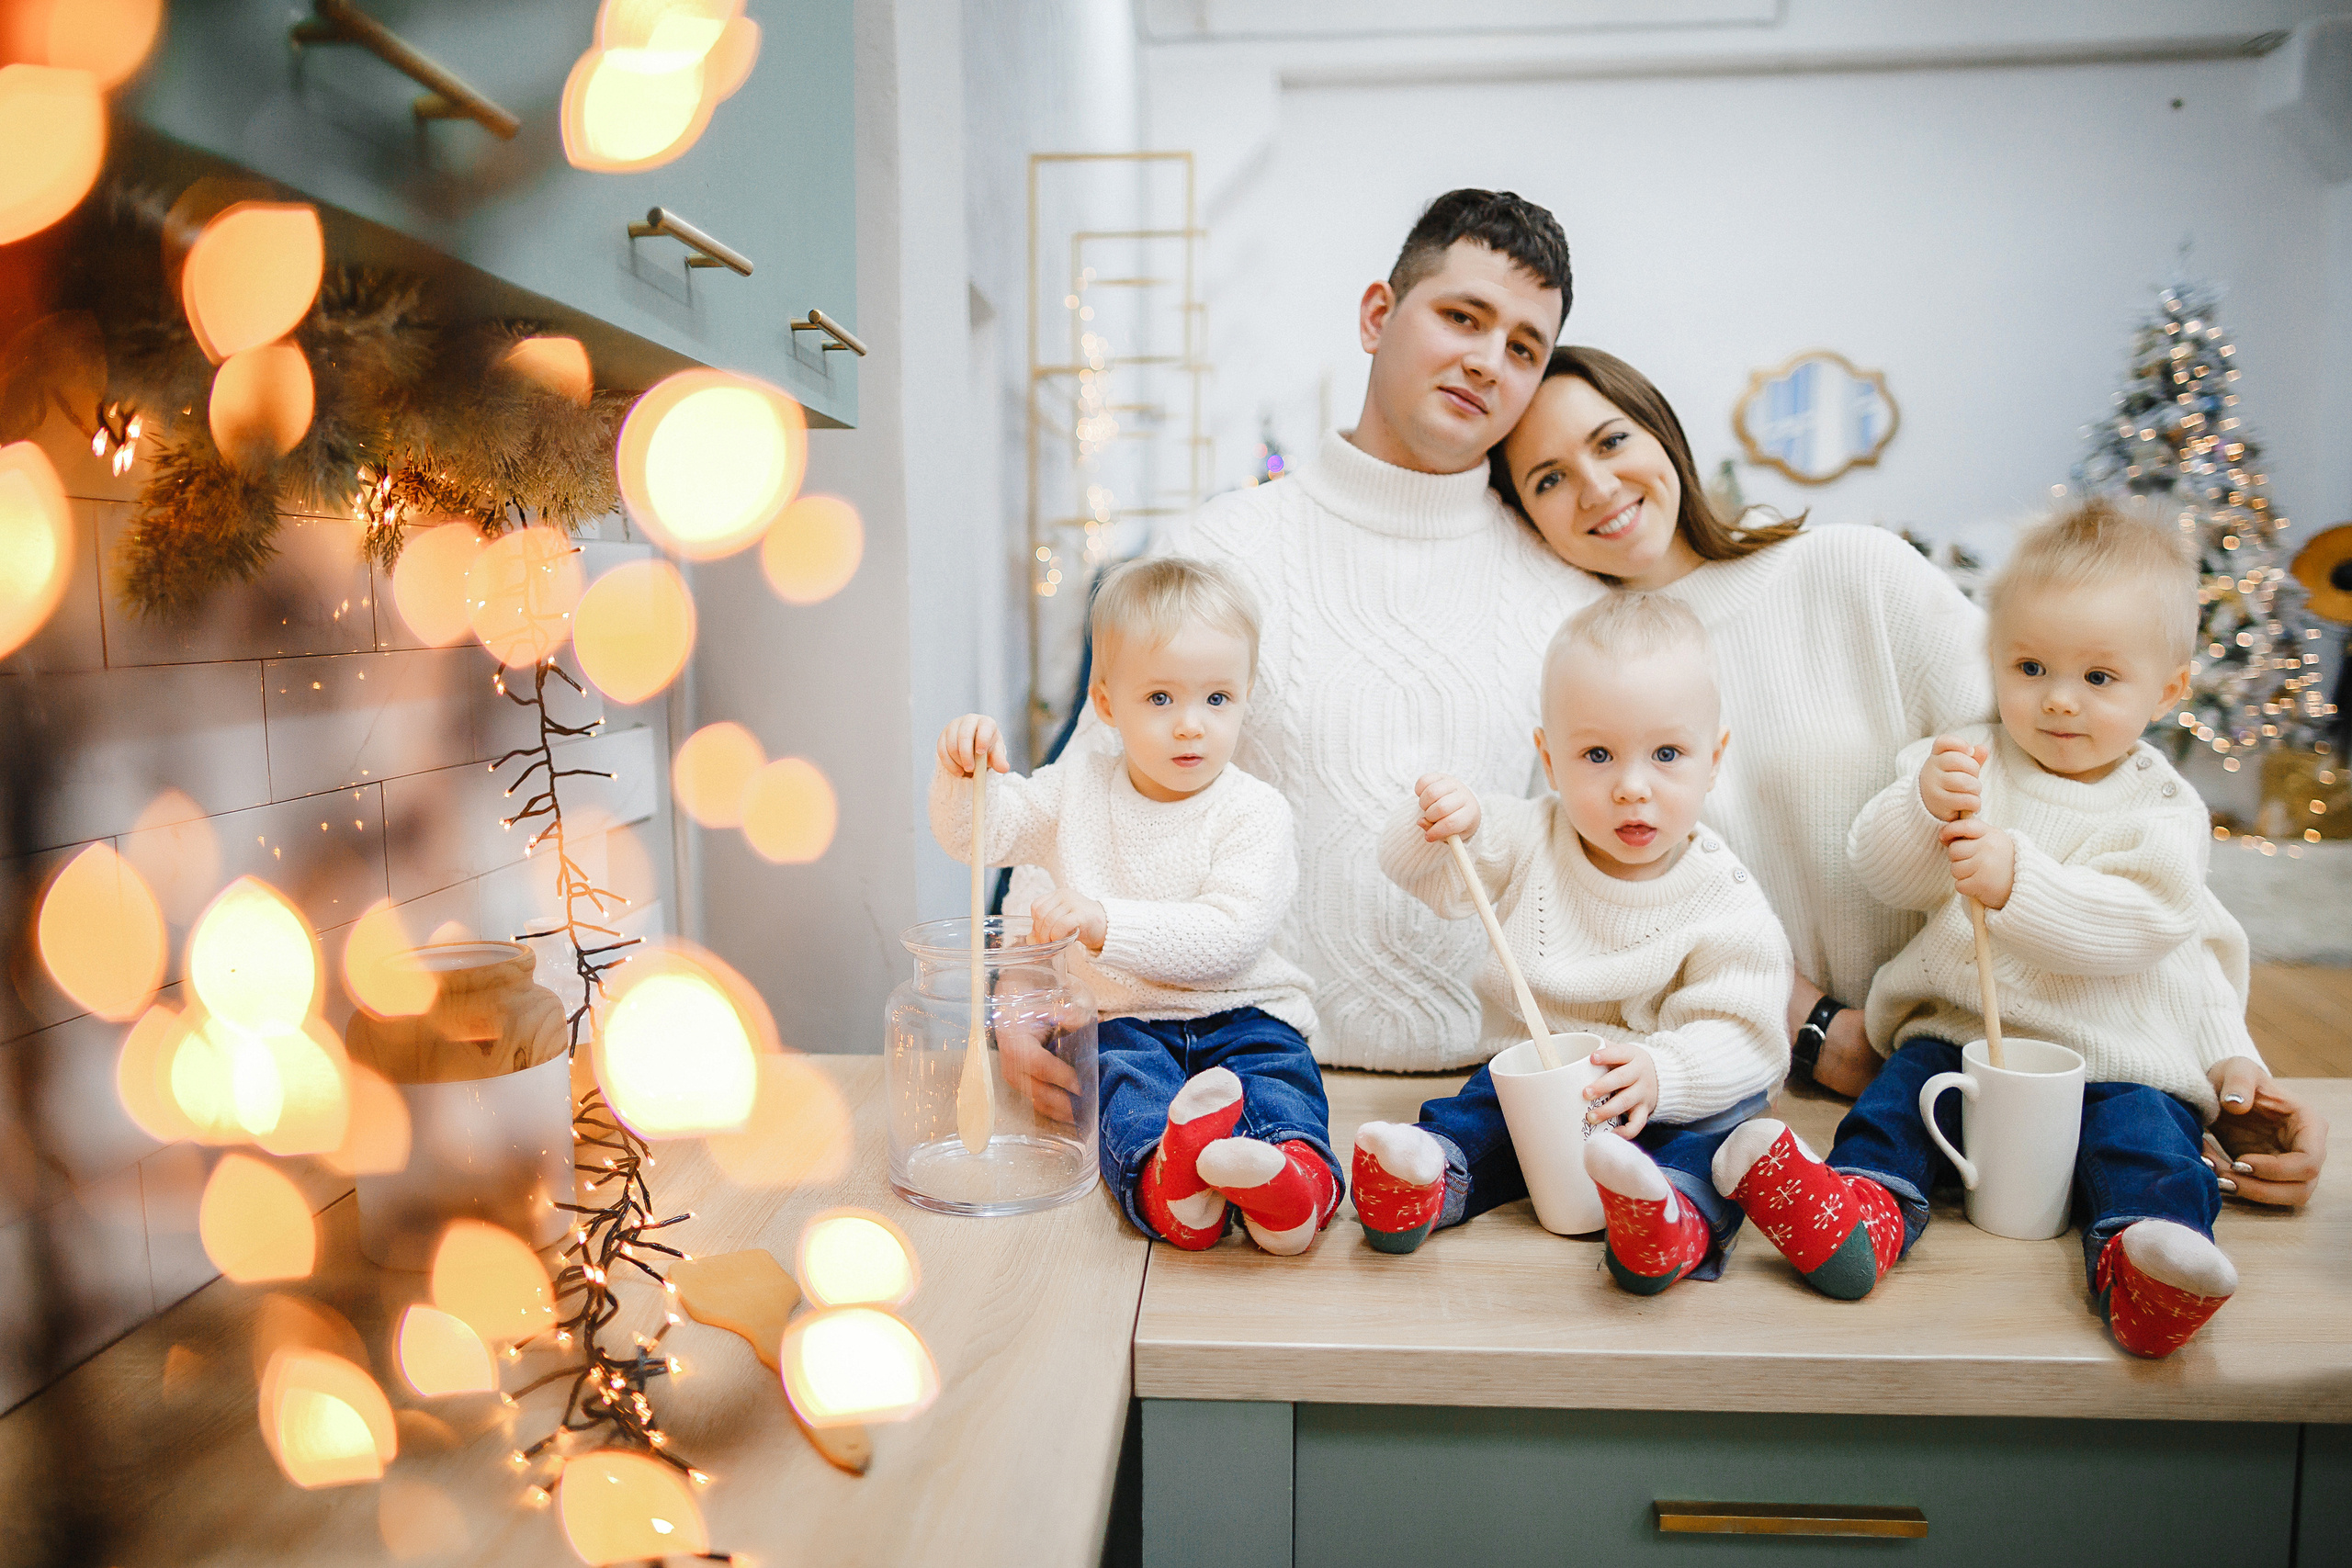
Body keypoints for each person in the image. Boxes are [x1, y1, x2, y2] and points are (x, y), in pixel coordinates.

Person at [1710, 499, 2330, 1357]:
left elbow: (2151, 923)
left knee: (2153, 1142)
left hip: (2117, 1054)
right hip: (1960, 1038)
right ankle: (1857, 1215)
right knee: (1895, 1108)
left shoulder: (2162, 806)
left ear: (2170, 688)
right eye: (2030, 666)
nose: (2059, 702)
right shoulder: (1966, 753)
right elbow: (1885, 873)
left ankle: (2149, 1262)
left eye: (2099, 679)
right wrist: (1921, 808)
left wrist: (2021, 883)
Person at [1016, 189, 1597, 1072]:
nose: (1487, 361)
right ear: (1377, 315)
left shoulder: (1565, 598)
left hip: (1492, 1104)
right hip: (1233, 1078)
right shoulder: (1215, 550)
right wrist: (1026, 992)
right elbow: (1086, 790)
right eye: (1461, 317)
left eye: (1523, 347)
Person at [1488, 345, 1990, 1097]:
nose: (1596, 487)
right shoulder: (1577, 689)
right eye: (1549, 478)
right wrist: (1819, 1031)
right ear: (1528, 520)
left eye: (1612, 439)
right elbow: (1602, 913)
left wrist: (2206, 1054)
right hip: (1759, 1102)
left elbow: (2066, 778)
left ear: (1664, 433)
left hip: (1984, 1063)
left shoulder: (1857, 571)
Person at [1351, 595, 1793, 1290]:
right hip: (1540, 1079)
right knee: (1479, 1111)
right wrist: (1438, 821)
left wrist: (1664, 1073)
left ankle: (1663, 1221)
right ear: (1549, 760)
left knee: (1702, 1147)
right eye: (1597, 754)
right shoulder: (1528, 834)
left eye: (1668, 753)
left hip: (1657, 1097)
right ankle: (1429, 1175)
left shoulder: (1723, 896)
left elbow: (1747, 1036)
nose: (1632, 787)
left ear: (1716, 758)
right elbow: (1422, 871)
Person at [933, 558, 1339, 1255]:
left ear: (1245, 697)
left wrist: (1103, 921)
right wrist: (963, 773)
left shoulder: (1255, 811)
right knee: (1123, 1087)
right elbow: (983, 836)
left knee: (1279, 1076)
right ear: (1107, 702)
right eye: (1160, 698)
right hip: (1124, 1020)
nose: (1191, 726)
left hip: (1245, 1010)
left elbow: (1229, 936)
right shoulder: (1073, 787)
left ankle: (1291, 1178)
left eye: (1217, 699)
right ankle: (1170, 1179)